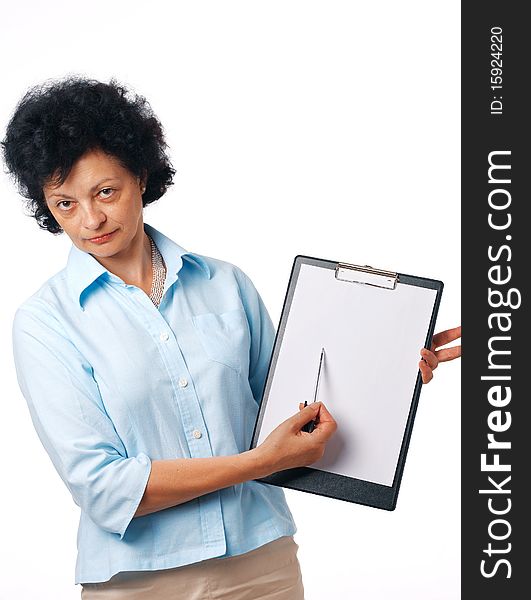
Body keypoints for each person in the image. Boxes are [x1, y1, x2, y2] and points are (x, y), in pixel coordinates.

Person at [2, 76, 461, 599]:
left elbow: (294, 413)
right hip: (139, 583)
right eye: (65, 203)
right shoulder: (45, 322)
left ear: (141, 174)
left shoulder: (225, 284)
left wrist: (388, 373)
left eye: (106, 191)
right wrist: (258, 463)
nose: (91, 220)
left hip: (263, 565)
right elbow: (104, 490)